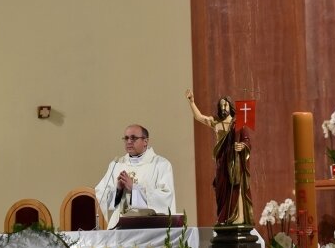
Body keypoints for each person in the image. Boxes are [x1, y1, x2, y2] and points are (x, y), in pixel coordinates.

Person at [185, 89, 253, 226]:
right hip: (222, 162)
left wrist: (242, 146)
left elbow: (247, 140)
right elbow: (199, 117)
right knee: (221, 191)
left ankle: (236, 218)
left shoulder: (238, 122)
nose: (223, 107)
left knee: (234, 187)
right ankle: (223, 218)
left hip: (234, 162)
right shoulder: (215, 122)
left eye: (226, 105)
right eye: (221, 105)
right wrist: (191, 102)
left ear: (230, 106)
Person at [95, 124, 176, 229]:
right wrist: (118, 190)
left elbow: (165, 196)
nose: (129, 141)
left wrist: (134, 188)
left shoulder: (161, 164)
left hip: (149, 226)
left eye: (133, 138)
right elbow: (102, 194)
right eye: (126, 138)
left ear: (145, 141)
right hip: (120, 227)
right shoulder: (116, 164)